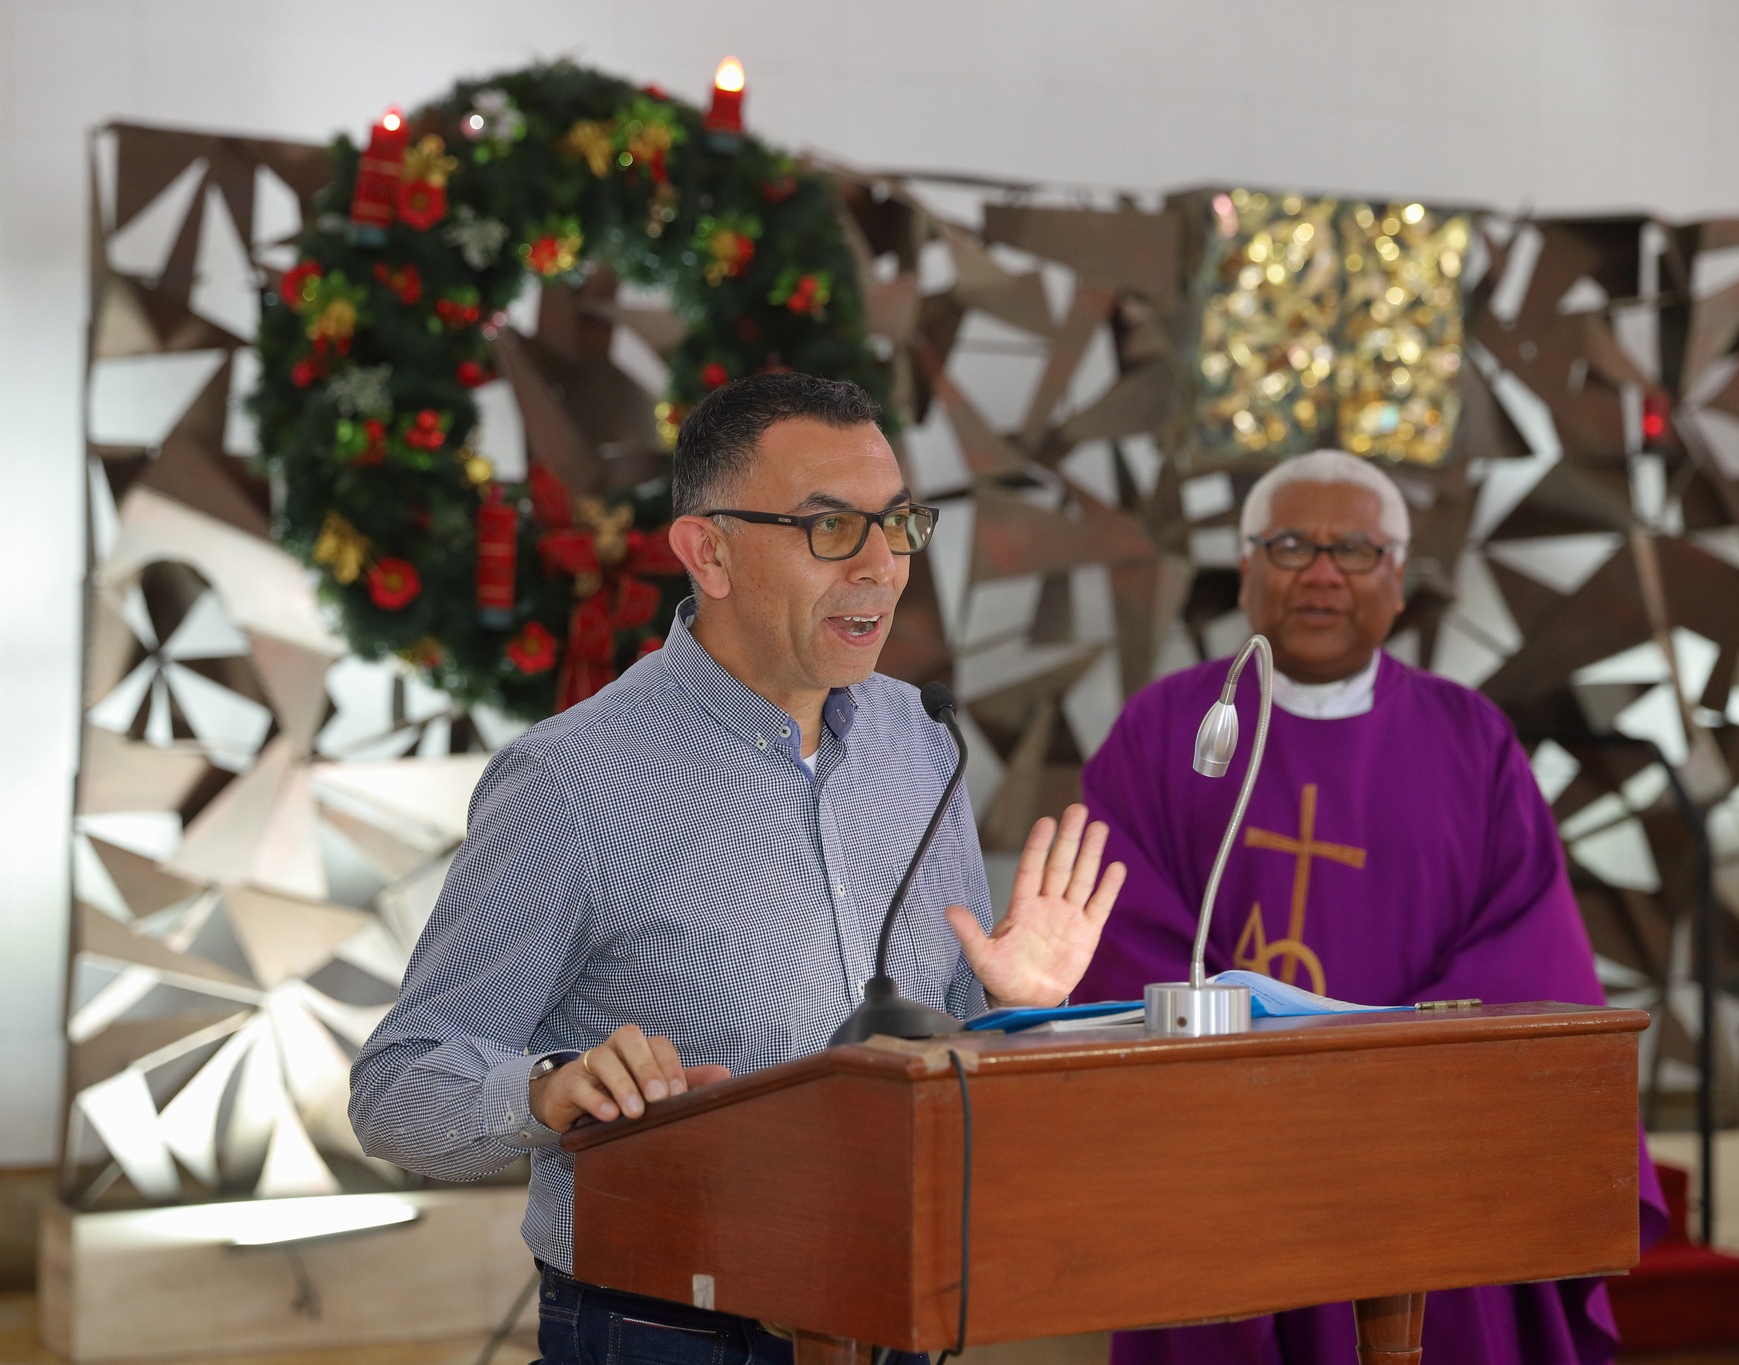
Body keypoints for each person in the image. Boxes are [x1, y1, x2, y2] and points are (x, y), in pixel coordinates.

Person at [350, 372, 1126, 1365]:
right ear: (707, 551)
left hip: (891, 1309)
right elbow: (397, 1085)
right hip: (666, 1329)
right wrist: (550, 1088)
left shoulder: (918, 738)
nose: (882, 568)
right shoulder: (570, 780)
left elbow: (946, 1065)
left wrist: (1012, 1013)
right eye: (831, 528)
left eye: (897, 525)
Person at [1076, 449, 1665, 1365]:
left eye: (1353, 549)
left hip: (1429, 1155)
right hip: (1232, 1157)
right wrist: (1264, 1079)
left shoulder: (1471, 738)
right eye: (1290, 545)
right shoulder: (1167, 731)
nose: (1321, 573)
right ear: (1245, 569)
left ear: (1397, 579)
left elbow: (1529, 950)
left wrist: (1379, 1089)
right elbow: (1119, 932)